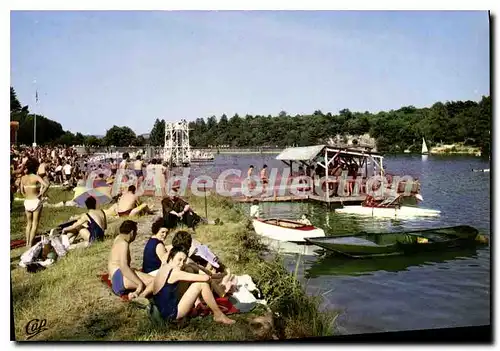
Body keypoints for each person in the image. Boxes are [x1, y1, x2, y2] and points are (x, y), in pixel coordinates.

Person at [151, 245, 235, 325]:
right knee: (201, 284)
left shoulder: (164, 267)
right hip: (171, 314)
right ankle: (218, 315)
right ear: (171, 257)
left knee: (188, 271)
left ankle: (198, 303)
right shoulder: (175, 273)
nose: (181, 264)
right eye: (179, 259)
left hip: (162, 310)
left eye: (184, 261)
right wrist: (199, 270)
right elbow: (206, 278)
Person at [108, 220, 155, 300]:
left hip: (114, 278)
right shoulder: (124, 244)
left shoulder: (118, 239)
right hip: (120, 278)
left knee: (143, 276)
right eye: (136, 233)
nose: (136, 235)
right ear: (132, 232)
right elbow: (124, 267)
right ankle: (140, 296)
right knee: (155, 281)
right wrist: (139, 284)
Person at [20, 158, 49, 247]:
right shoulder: (36, 177)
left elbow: (21, 191)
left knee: (28, 223)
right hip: (35, 201)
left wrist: (26, 196)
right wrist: (41, 193)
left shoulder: (23, 178)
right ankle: (30, 244)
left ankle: (27, 242)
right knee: (35, 223)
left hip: (27, 201)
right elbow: (46, 185)